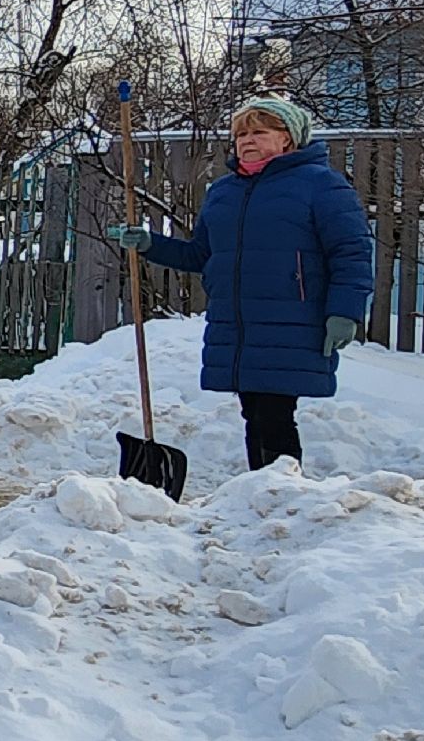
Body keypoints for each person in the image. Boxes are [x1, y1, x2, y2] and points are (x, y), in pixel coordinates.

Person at [109, 95, 373, 473]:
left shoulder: (322, 186)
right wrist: (150, 244)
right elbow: (201, 255)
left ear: (288, 139)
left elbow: (351, 253)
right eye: (241, 134)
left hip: (291, 319)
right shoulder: (224, 192)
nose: (247, 141)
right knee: (255, 410)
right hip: (238, 323)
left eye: (260, 132)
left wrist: (344, 312)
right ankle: (265, 488)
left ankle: (282, 491)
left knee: (273, 410)